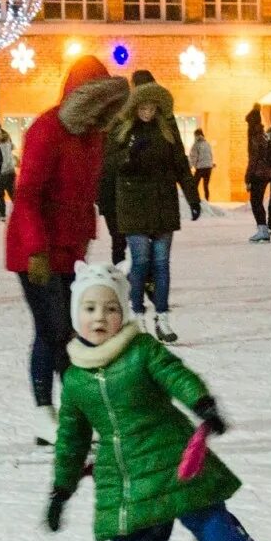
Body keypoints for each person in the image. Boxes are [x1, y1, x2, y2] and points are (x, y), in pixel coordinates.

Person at [45, 262, 271, 541]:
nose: (101, 317)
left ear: (125, 313)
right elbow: (71, 438)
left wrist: (202, 403)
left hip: (175, 459)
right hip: (126, 478)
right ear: (75, 314)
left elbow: (174, 373)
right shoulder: (76, 378)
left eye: (111, 308)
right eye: (90, 308)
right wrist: (61, 489)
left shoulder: (142, 350)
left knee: (222, 540)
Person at [6, 54, 130, 446]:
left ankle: (73, 412)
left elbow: (84, 194)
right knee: (54, 331)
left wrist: (88, 237)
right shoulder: (47, 129)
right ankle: (48, 412)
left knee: (65, 332)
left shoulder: (94, 137)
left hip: (70, 251)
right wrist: (37, 251)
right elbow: (27, 196)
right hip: (35, 251)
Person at [102, 79, 201, 343]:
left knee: (161, 264)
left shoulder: (167, 132)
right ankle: (137, 317)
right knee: (141, 261)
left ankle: (162, 317)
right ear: (135, 108)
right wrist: (128, 157)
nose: (147, 112)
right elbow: (110, 167)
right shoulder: (122, 132)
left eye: (152, 108)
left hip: (162, 204)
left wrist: (193, 197)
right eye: (143, 107)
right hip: (133, 205)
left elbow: (180, 164)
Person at [243, 105, 271, 243]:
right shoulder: (263, 134)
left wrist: (248, 176)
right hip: (266, 172)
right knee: (258, 201)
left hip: (259, 173)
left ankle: (263, 230)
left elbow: (254, 158)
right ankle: (263, 229)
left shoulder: (255, 136)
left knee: (255, 201)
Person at [189, 127, 215, 202]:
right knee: (206, 186)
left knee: (194, 185)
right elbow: (210, 155)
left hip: (200, 168)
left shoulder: (196, 145)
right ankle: (207, 202)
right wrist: (211, 163)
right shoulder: (207, 144)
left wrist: (190, 166)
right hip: (208, 168)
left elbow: (193, 157)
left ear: (196, 135)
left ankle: (195, 200)